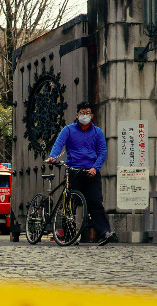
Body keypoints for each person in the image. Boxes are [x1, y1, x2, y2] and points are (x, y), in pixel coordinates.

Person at [47, 101, 115, 245]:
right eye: (82, 113)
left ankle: (104, 233)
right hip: (74, 171)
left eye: (88, 113)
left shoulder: (98, 132)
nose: (85, 116)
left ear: (92, 115)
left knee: (95, 202)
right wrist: (53, 156)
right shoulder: (69, 130)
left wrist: (95, 168)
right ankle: (70, 236)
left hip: (91, 171)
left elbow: (102, 152)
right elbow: (59, 144)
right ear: (77, 115)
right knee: (70, 203)